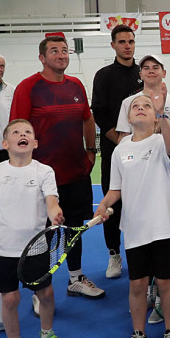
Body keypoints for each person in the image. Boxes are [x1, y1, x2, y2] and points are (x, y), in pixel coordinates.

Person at [0, 119, 75, 338]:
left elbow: (51, 201)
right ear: (6, 143)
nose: (23, 135)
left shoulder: (44, 171)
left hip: (36, 248)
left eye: (28, 132)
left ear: (35, 143)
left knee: (46, 294)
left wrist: (55, 214)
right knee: (10, 299)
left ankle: (46, 335)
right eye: (16, 132)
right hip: (3, 249)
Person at [9, 35, 105, 301]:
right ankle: (39, 289)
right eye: (54, 51)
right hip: (40, 178)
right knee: (43, 235)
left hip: (75, 173)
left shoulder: (75, 85)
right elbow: (17, 129)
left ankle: (76, 279)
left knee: (74, 229)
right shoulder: (27, 88)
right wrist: (23, 169)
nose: (61, 55)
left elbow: (87, 119)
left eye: (64, 50)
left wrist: (90, 151)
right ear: (42, 58)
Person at [96, 95, 170, 338]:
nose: (140, 108)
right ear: (128, 116)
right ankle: (138, 334)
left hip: (162, 227)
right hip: (134, 228)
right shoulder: (120, 150)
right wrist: (103, 205)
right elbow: (116, 189)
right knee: (137, 285)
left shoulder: (160, 141)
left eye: (146, 106)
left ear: (154, 115)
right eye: (135, 106)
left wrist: (163, 117)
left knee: (165, 282)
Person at [92, 25, 143, 281]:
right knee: (112, 206)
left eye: (130, 41)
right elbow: (99, 113)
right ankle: (114, 254)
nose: (127, 46)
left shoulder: (143, 73)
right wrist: (121, 141)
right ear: (113, 45)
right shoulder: (103, 76)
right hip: (114, 152)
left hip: (143, 154)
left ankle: (140, 253)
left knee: (139, 205)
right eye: (122, 42)